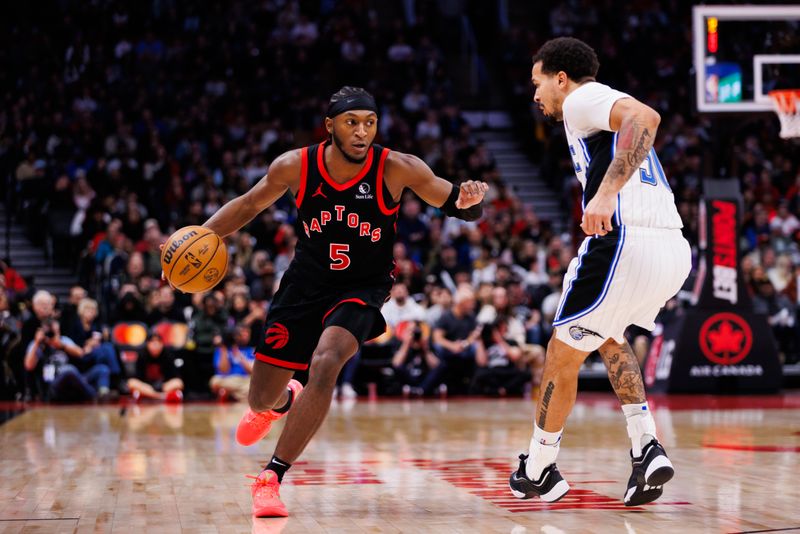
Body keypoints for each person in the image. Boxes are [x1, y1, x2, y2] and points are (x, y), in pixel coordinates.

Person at [191, 86, 487, 517]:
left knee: (327, 360)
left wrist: (469, 202)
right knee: (259, 401)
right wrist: (199, 237)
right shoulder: (295, 165)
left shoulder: (396, 167)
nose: (362, 131)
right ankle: (283, 401)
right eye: (352, 122)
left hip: (363, 287)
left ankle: (271, 476)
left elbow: (455, 201)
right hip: (304, 286)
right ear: (330, 126)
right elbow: (249, 204)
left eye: (370, 122)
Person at [509, 38, 691, 506]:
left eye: (538, 83)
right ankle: (645, 445)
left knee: (562, 352)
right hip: (671, 248)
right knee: (608, 335)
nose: (536, 95)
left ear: (561, 79)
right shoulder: (596, 110)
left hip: (625, 241)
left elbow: (645, 117)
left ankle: (539, 466)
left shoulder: (582, 99)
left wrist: (606, 193)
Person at [127, 333, 184, 402]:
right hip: (148, 387)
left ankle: (148, 396)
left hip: (164, 387)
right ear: (147, 344)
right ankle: (162, 397)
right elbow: (137, 378)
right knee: (131, 382)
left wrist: (167, 385)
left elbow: (175, 378)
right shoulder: (142, 355)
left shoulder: (168, 355)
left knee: (178, 383)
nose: (155, 345)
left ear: (162, 344)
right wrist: (145, 386)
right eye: (152, 342)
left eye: (158, 342)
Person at [210, 324, 255, 402]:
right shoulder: (221, 349)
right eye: (242, 333)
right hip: (228, 378)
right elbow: (224, 370)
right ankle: (237, 394)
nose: (245, 335)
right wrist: (223, 347)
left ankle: (228, 393)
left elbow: (252, 371)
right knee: (214, 380)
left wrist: (238, 354)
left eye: (247, 333)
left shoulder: (251, 351)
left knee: (253, 385)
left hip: (244, 380)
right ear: (235, 335)